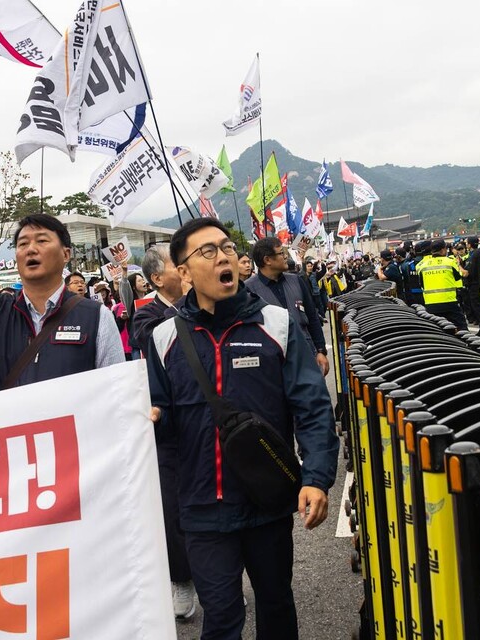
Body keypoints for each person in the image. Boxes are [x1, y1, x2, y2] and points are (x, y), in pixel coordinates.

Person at [146, 217, 339, 640]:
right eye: (208, 251)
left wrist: (317, 478)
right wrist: (150, 419)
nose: (223, 256)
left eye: (227, 247)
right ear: (183, 273)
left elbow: (312, 407)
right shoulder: (163, 337)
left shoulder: (276, 324)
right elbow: (158, 418)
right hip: (200, 510)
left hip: (266, 499)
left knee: (275, 604)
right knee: (222, 615)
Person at [0, 178, 125, 392]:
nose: (31, 249)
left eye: (42, 241)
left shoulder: (96, 316)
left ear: (66, 254)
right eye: (23, 243)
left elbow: (117, 391)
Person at [131, 244, 195, 618]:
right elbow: (155, 341)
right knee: (172, 508)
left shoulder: (205, 303)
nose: (185, 267)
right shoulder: (147, 316)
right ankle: (181, 581)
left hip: (206, 420)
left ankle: (221, 580)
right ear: (157, 278)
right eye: (176, 263)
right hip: (167, 424)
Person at [246, 237, 329, 375]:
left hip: (306, 354)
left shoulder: (296, 281)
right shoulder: (248, 289)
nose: (285, 257)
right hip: (273, 363)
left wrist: (320, 350)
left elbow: (312, 317)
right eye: (281, 253)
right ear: (267, 260)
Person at [417, 238, 467, 330]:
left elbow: (422, 284)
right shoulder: (450, 262)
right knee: (461, 328)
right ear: (443, 250)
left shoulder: (423, 266)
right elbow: (458, 277)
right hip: (450, 303)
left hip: (431, 305)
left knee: (436, 330)